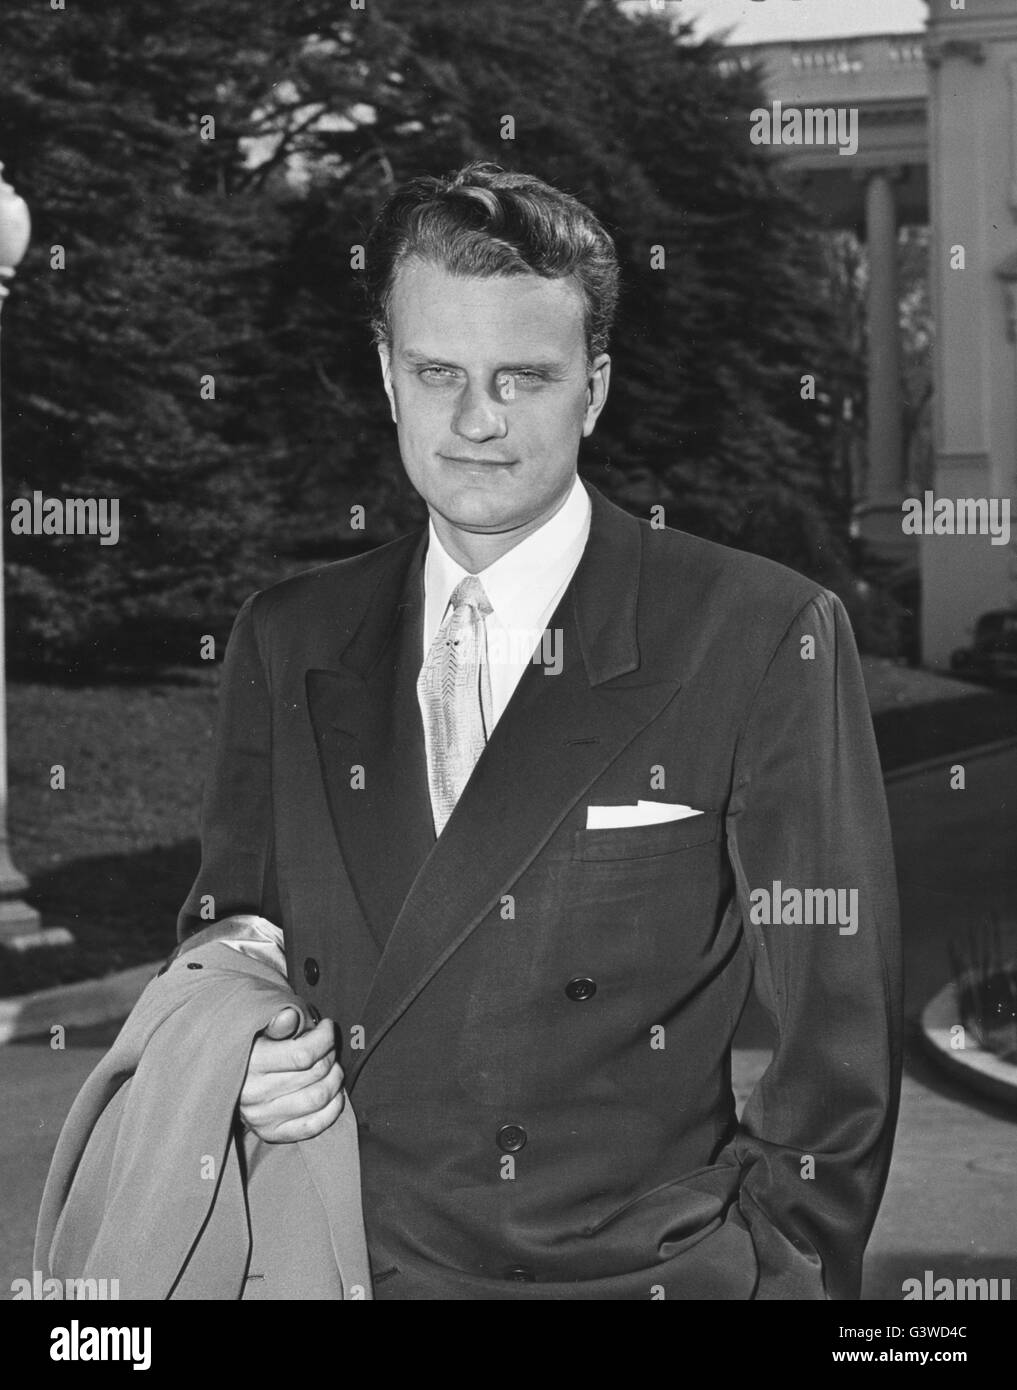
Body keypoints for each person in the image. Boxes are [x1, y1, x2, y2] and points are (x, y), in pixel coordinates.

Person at [178, 162, 902, 1300]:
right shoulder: (285, 635)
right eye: (437, 373)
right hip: (330, 1268)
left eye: (524, 377)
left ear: (594, 386)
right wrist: (233, 1052)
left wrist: (780, 1270)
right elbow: (230, 927)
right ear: (387, 375)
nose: (475, 420)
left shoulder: (759, 631)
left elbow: (838, 1035)